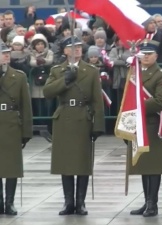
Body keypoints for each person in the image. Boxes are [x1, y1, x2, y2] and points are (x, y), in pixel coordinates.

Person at [43, 36, 105, 216]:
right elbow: (48, 92)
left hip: (82, 117)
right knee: (66, 163)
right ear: (65, 51)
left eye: (79, 47)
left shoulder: (91, 71)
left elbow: (97, 100)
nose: (77, 49)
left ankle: (81, 202)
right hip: (64, 119)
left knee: (82, 163)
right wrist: (65, 80)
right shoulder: (57, 70)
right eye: (72, 47)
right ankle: (68, 202)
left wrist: (98, 126)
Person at [128, 39, 162, 217]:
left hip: (153, 124)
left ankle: (153, 203)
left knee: (154, 166)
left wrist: (138, 105)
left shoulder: (161, 75)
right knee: (143, 165)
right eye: (143, 54)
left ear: (156, 56)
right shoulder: (135, 73)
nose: (145, 57)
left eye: (149, 54)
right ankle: (146, 201)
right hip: (139, 124)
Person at [0, 41, 33, 215]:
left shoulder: (18, 76)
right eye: (2, 53)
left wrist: (26, 131)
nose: (6, 55)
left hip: (11, 124)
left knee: (11, 166)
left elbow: (25, 106)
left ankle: (9, 202)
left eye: (7, 52)